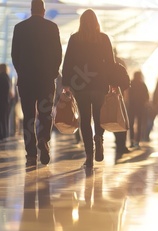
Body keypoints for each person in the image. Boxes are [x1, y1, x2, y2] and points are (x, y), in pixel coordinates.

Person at [62, 9, 116, 167]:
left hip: (81, 86)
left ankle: (89, 156)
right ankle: (98, 137)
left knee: (85, 120)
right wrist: (113, 83)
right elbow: (111, 64)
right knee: (99, 117)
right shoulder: (104, 39)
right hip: (100, 85)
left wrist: (66, 83)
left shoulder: (75, 39)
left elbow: (68, 62)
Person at [11, 0, 62, 166]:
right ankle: (43, 139)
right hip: (46, 80)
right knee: (45, 113)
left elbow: (14, 55)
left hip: (26, 80)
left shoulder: (20, 28)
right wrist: (53, 73)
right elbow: (58, 54)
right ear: (44, 11)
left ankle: (31, 154)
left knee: (29, 117)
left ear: (31, 10)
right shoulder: (52, 28)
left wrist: (21, 72)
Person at [127, 71, 149, 148]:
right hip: (140, 107)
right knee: (139, 124)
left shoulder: (131, 84)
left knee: (131, 124)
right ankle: (137, 141)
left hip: (132, 107)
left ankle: (132, 140)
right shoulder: (142, 84)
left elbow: (127, 94)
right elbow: (147, 96)